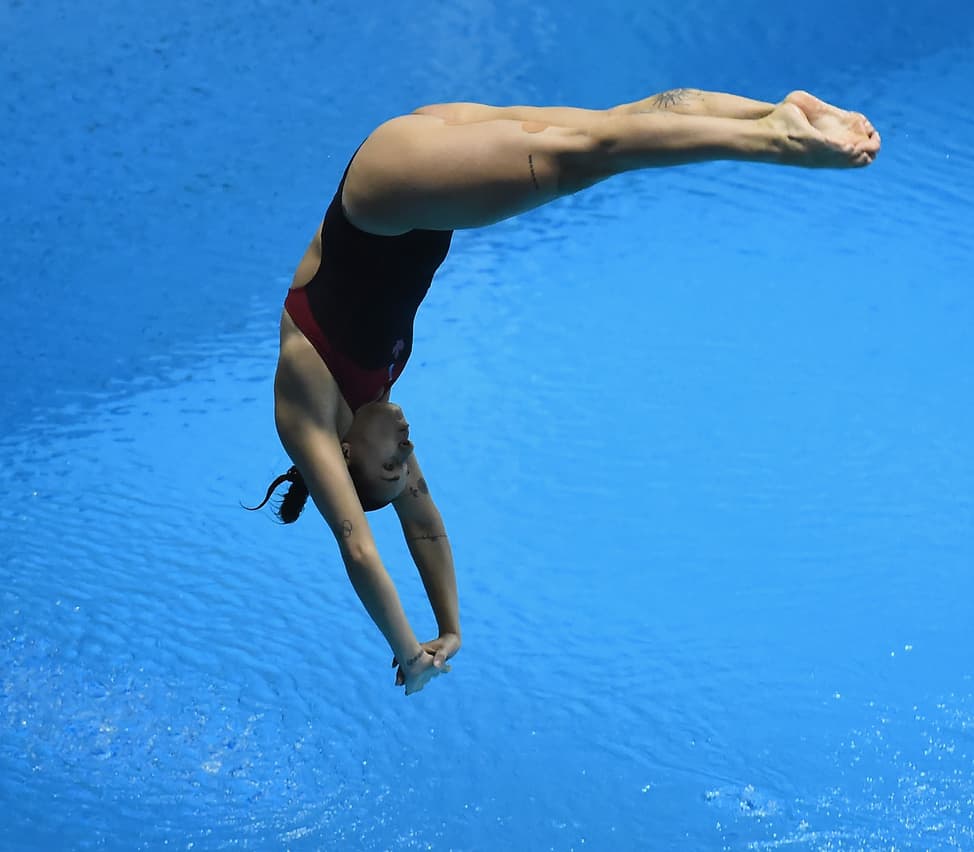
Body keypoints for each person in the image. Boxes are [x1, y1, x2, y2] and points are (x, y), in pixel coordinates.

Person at [248, 88, 880, 695]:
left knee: (591, 152)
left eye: (394, 462)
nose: (409, 451)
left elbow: (359, 546)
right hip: (417, 176)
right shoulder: (371, 414)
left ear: (347, 457)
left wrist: (410, 654)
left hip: (388, 195)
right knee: (613, 125)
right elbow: (426, 529)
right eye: (405, 465)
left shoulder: (306, 410)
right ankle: (776, 112)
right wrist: (450, 629)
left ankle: (781, 142)